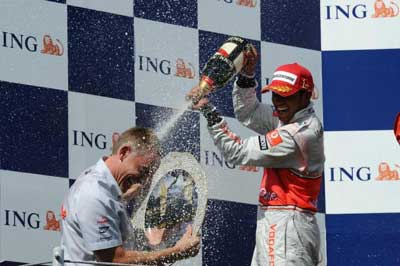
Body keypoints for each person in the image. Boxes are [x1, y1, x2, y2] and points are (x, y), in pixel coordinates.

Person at [187, 45, 324, 265]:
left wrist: (209, 113)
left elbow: (237, 152)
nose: (278, 101)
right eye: (276, 94)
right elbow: (248, 112)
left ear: (305, 96)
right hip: (284, 222)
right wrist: (246, 75)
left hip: (287, 225)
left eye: (285, 96)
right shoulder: (291, 118)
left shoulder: (297, 134)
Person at [60, 127, 200, 265]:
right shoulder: (95, 193)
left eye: (149, 176)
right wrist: (176, 252)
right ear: (124, 152)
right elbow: (115, 259)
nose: (144, 181)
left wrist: (122, 198)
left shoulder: (102, 187)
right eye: (143, 171)